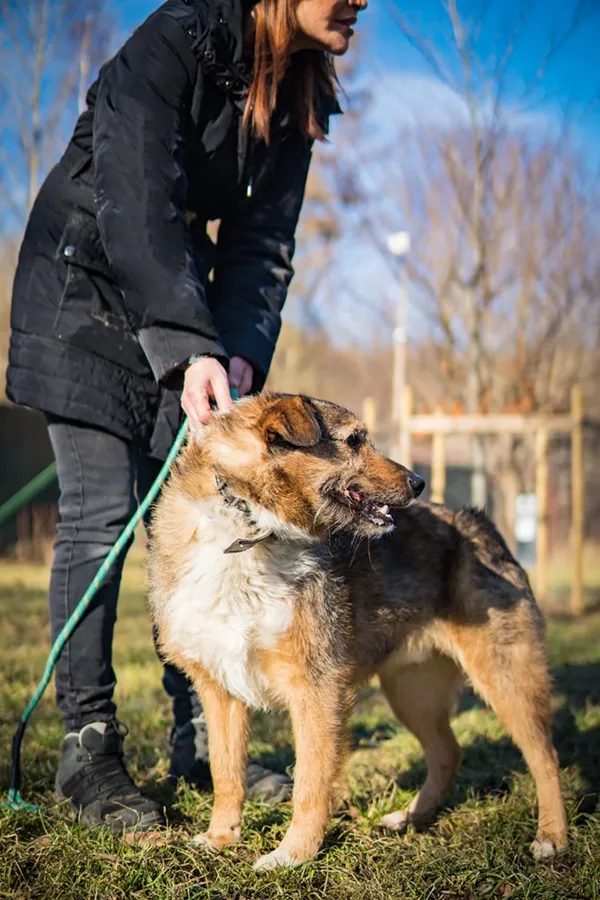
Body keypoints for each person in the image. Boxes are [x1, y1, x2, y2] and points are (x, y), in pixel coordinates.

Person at [5, 0, 365, 832]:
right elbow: (136, 200)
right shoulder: (178, 38)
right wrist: (186, 340)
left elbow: (262, 242)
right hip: (83, 291)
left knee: (198, 518)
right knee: (102, 512)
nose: (364, 0)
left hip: (183, 312)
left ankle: (205, 734)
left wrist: (236, 349)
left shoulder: (296, 88)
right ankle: (88, 749)